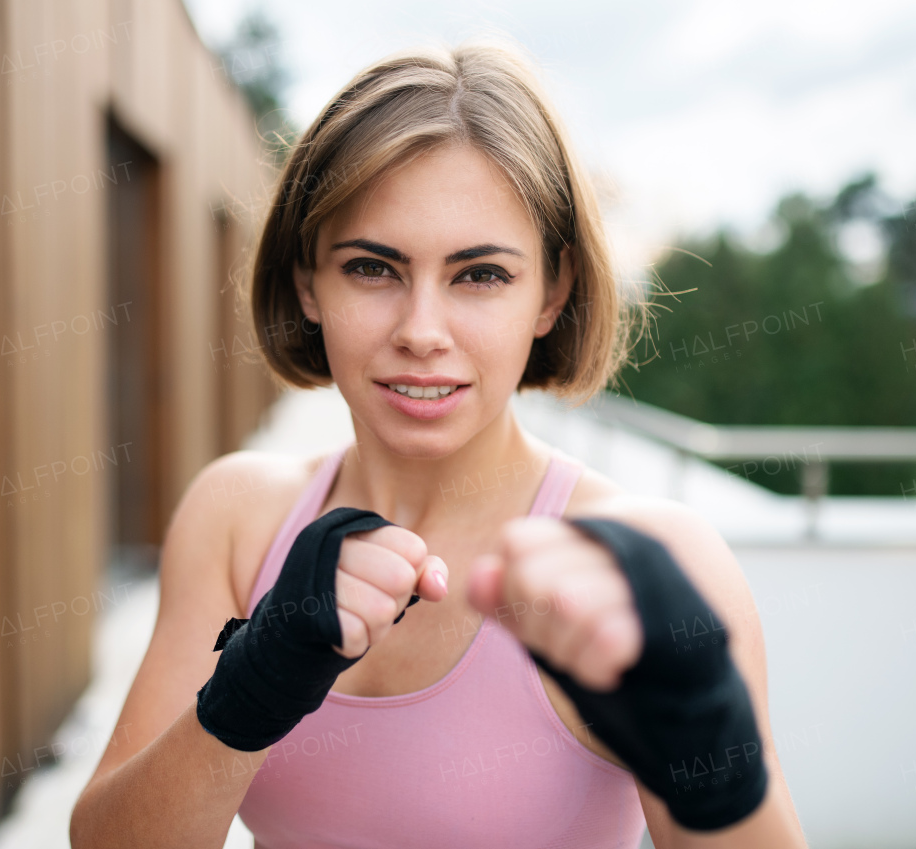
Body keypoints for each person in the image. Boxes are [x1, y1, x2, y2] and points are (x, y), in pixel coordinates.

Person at [71, 38, 809, 849]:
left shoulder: (647, 561)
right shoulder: (237, 516)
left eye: (480, 274)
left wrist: (713, 761)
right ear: (307, 282)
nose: (421, 332)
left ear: (553, 290)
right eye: (372, 268)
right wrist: (246, 691)